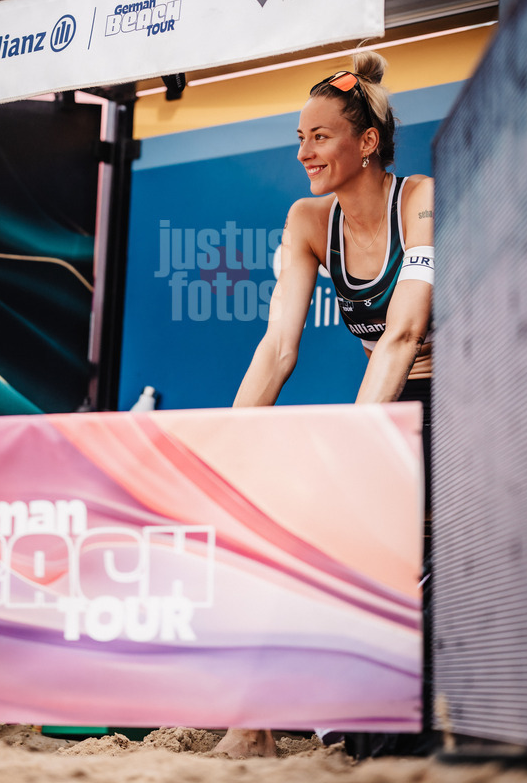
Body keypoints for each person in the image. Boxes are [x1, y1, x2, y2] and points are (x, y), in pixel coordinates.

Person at [213, 50, 434, 760]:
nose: (304, 151)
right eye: (299, 138)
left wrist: (358, 443)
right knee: (291, 526)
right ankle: (254, 722)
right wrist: (225, 445)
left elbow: (402, 334)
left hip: (468, 397)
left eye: (319, 136)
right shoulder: (308, 221)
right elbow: (278, 348)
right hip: (387, 399)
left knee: (379, 538)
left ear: (365, 143)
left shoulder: (424, 202)